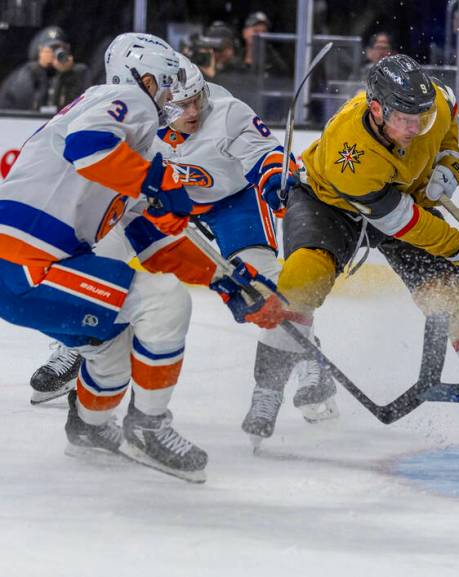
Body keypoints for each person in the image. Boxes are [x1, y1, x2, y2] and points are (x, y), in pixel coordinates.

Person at [28, 53, 335, 446]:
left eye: (198, 100)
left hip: (230, 202)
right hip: (157, 205)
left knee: (269, 285)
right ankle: (75, 347)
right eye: (182, 103)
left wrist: (277, 179)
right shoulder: (138, 120)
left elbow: (267, 155)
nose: (192, 111)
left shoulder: (228, 112)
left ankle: (309, 356)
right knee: (98, 259)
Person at [272, 54, 459, 461]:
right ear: (377, 109)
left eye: (421, 117)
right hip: (332, 205)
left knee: (448, 298)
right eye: (404, 119)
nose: (415, 128)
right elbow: (407, 225)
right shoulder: (353, 152)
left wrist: (449, 163)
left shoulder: (431, 104)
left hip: (396, 200)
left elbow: (448, 123)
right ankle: (308, 357)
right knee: (301, 281)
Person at [0, 33, 247, 483]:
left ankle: (89, 429)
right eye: (166, 85)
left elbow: (151, 236)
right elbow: (86, 146)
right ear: (142, 78)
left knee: (111, 348)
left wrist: (224, 279)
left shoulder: (133, 146)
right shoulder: (123, 99)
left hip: (34, 270)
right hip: (24, 263)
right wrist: (156, 181)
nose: (172, 98)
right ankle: (148, 427)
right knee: (163, 301)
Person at [0, 26, 89, 112]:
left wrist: (66, 74)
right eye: (51, 49)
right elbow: (26, 106)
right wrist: (40, 69)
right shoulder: (27, 74)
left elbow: (77, 106)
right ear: (40, 51)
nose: (55, 54)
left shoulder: (79, 72)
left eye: (60, 49)